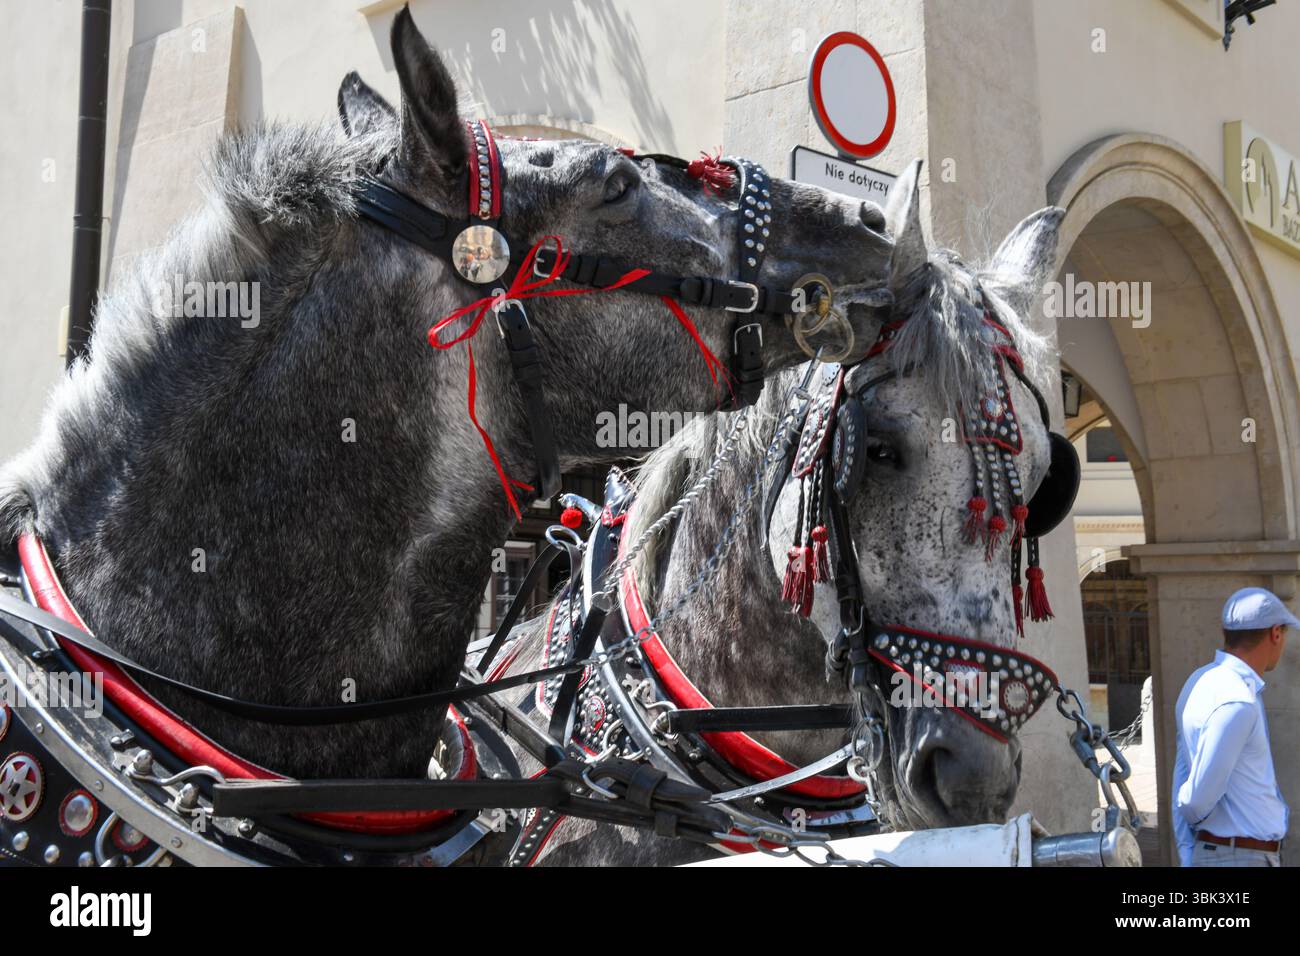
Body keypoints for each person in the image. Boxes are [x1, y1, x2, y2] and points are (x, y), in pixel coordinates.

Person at [1172, 587, 1293, 866]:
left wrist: (1188, 851)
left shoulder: (1201, 681)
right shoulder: (1237, 699)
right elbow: (1194, 800)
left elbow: (1181, 774)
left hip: (1229, 853)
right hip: (1239, 857)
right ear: (1275, 633)